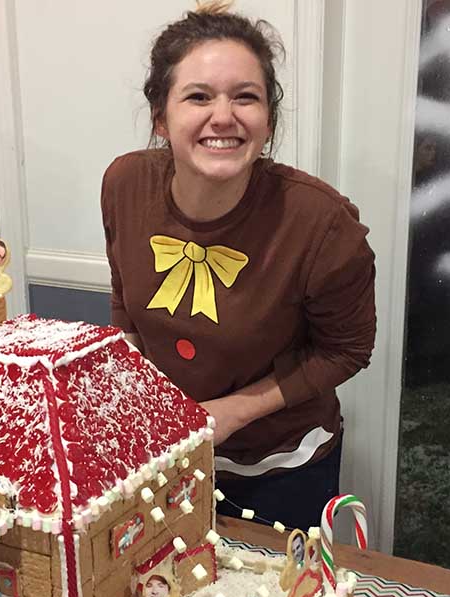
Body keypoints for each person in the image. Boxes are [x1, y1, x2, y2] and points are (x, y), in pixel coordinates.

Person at [101, 2, 376, 529]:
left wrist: (231, 411)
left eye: (245, 98)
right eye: (198, 96)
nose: (222, 116)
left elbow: (347, 349)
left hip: (280, 469)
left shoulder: (322, 223)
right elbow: (125, 304)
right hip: (162, 460)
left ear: (267, 120)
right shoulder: (123, 185)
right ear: (161, 117)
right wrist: (130, 398)